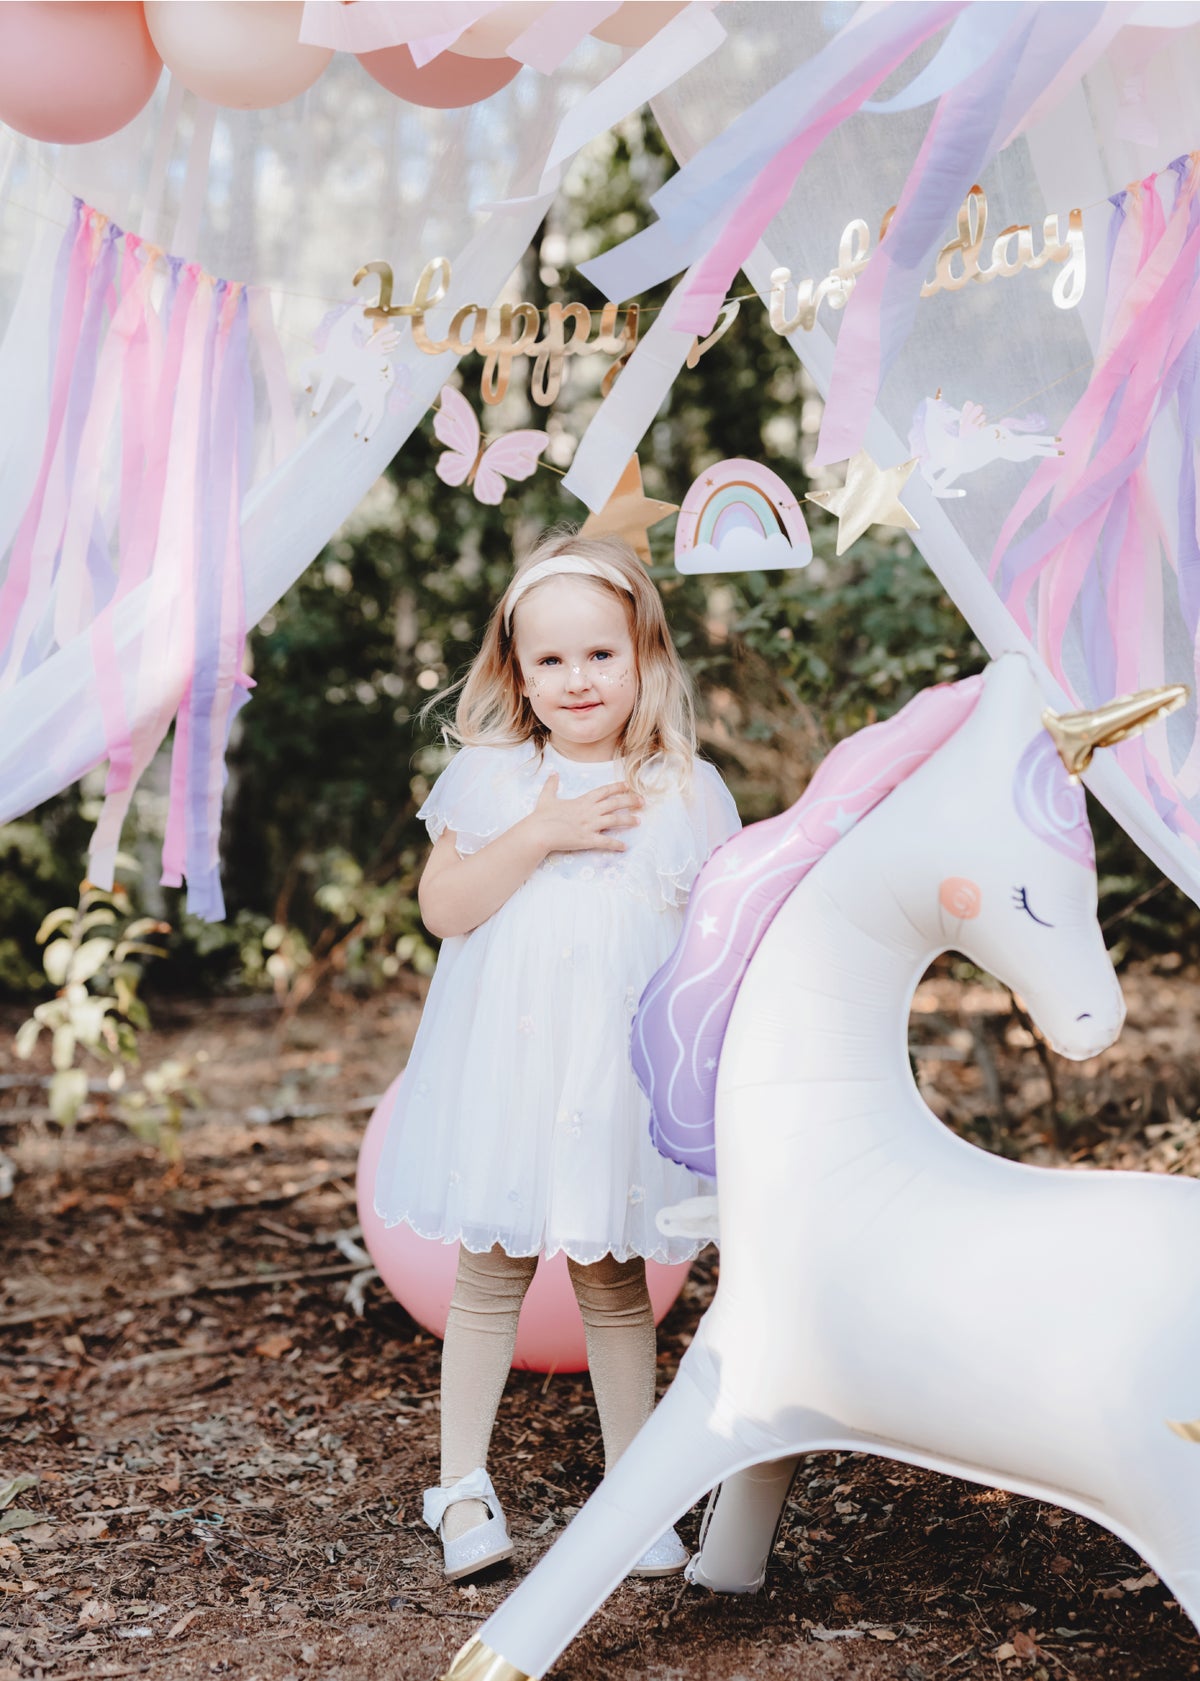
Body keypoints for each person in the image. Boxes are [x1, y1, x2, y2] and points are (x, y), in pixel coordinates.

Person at [372, 529, 740, 1582]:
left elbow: (713, 946)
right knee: (490, 1273)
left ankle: (634, 1492)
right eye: (550, 660)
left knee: (616, 1277)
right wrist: (537, 834)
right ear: (517, 672)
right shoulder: (493, 777)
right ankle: (460, 1486)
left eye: (600, 655)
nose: (577, 679)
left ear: (644, 659)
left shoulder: (683, 790)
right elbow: (446, 908)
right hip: (511, 1072)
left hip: (614, 1080)